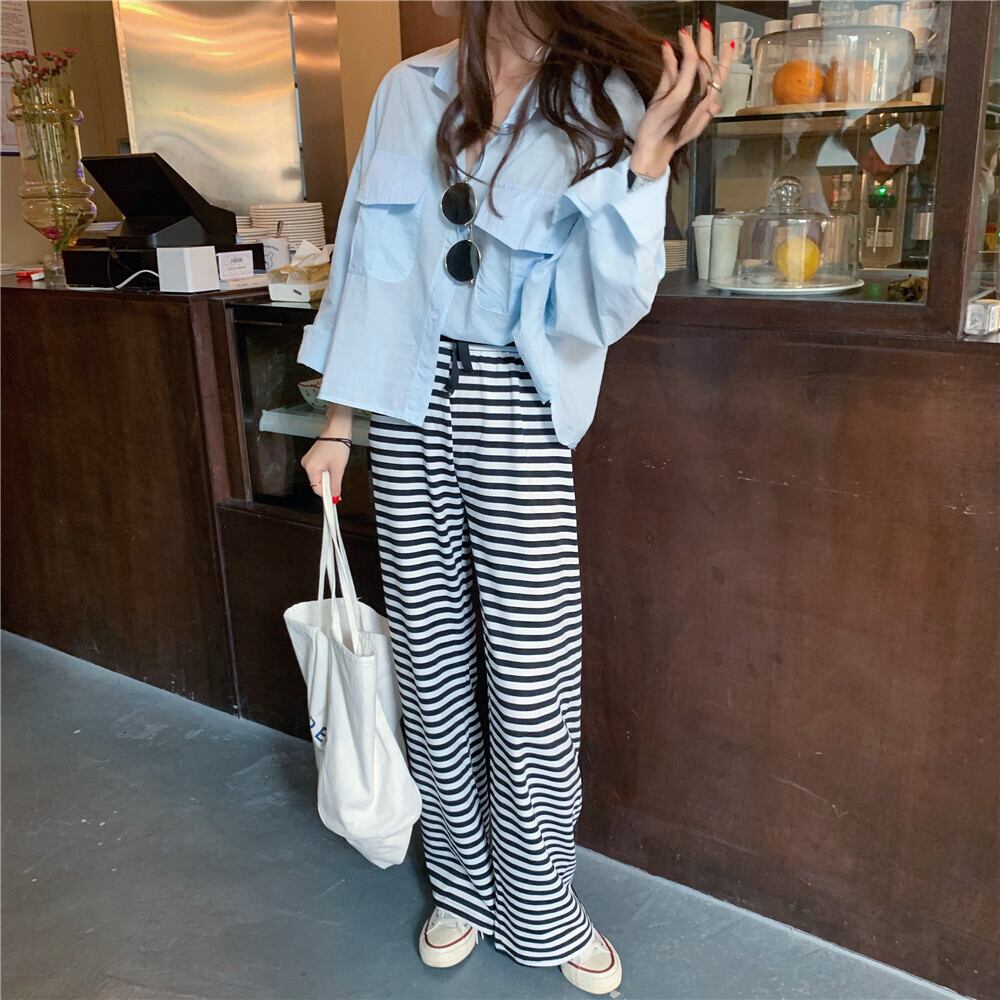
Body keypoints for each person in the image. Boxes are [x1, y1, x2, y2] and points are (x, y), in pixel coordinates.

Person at [300, 2, 730, 993]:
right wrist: (338, 424)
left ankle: (540, 903)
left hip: (515, 401)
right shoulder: (406, 92)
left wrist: (647, 166)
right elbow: (363, 265)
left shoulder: (605, 99)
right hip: (403, 399)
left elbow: (602, 307)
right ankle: (461, 884)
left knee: (532, 675)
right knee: (429, 660)